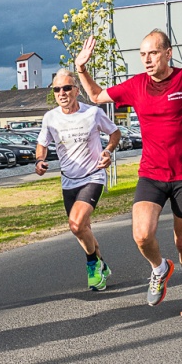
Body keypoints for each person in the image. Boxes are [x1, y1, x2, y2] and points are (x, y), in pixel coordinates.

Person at [74, 9, 182, 317]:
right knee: (141, 234)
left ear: (168, 53)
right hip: (151, 173)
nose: (147, 59)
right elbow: (97, 96)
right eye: (142, 54)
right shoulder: (136, 85)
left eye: (152, 53)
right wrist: (81, 70)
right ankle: (160, 268)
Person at [34, 68, 122, 291]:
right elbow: (42, 144)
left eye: (66, 88)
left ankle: (92, 264)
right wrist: (40, 161)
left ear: (77, 90)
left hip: (93, 176)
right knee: (84, 229)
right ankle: (101, 265)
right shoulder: (50, 118)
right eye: (56, 89)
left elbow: (115, 133)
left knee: (76, 224)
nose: (61, 93)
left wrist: (108, 151)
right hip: (68, 181)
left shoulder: (92, 113)